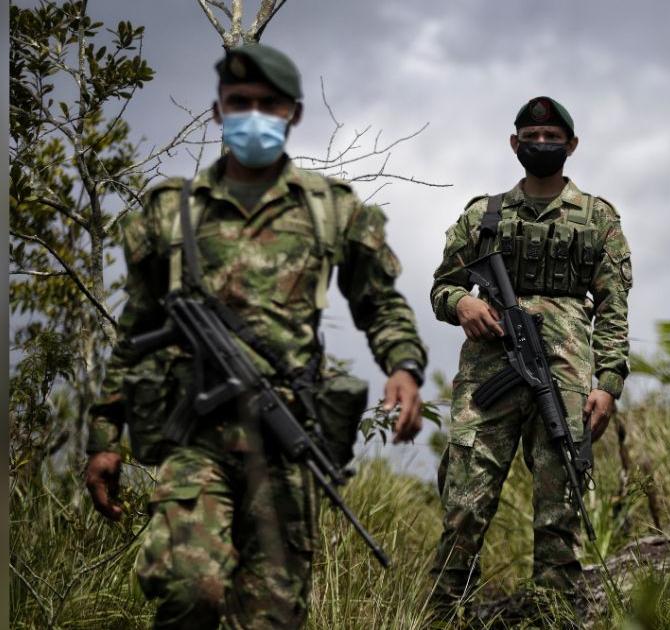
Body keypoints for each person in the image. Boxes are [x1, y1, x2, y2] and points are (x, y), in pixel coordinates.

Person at [82, 43, 428, 628]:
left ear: (292, 111)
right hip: (193, 433)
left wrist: (403, 367)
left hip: (283, 437)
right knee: (192, 590)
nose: (253, 115)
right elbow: (136, 327)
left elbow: (380, 303)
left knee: (271, 617)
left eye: (267, 104)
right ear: (217, 111)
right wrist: (104, 436)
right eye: (239, 102)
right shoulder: (173, 212)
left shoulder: (331, 210)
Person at [428, 96, 632, 618]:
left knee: (559, 509)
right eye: (532, 136)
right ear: (514, 144)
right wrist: (464, 303)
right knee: (465, 505)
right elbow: (441, 289)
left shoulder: (598, 218)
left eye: (552, 137)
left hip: (562, 380)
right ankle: (443, 613)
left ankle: (555, 615)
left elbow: (613, 308)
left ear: (572, 145)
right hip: (488, 376)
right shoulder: (484, 215)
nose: (542, 145)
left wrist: (607, 383)